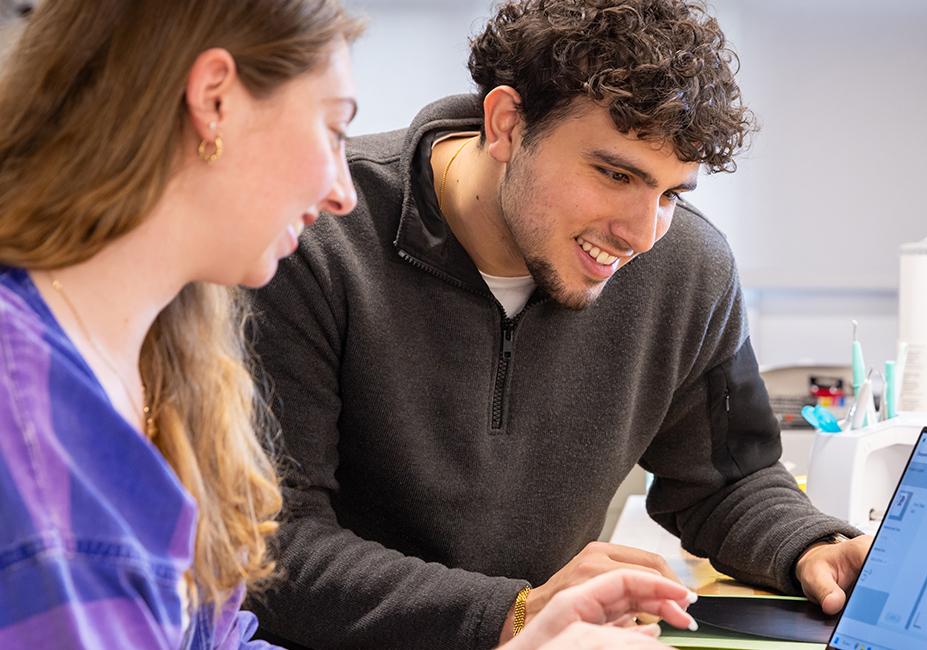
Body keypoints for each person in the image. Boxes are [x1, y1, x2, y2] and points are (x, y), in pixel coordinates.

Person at [0, 1, 696, 648]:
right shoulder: (27, 418)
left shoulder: (157, 354)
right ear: (214, 101)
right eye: (331, 129)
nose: (340, 188)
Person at [248, 1, 871, 648]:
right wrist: (514, 612)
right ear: (507, 124)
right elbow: (274, 547)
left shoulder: (689, 269)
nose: (641, 235)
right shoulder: (310, 237)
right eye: (614, 173)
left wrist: (810, 545)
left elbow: (728, 481)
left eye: (670, 193)